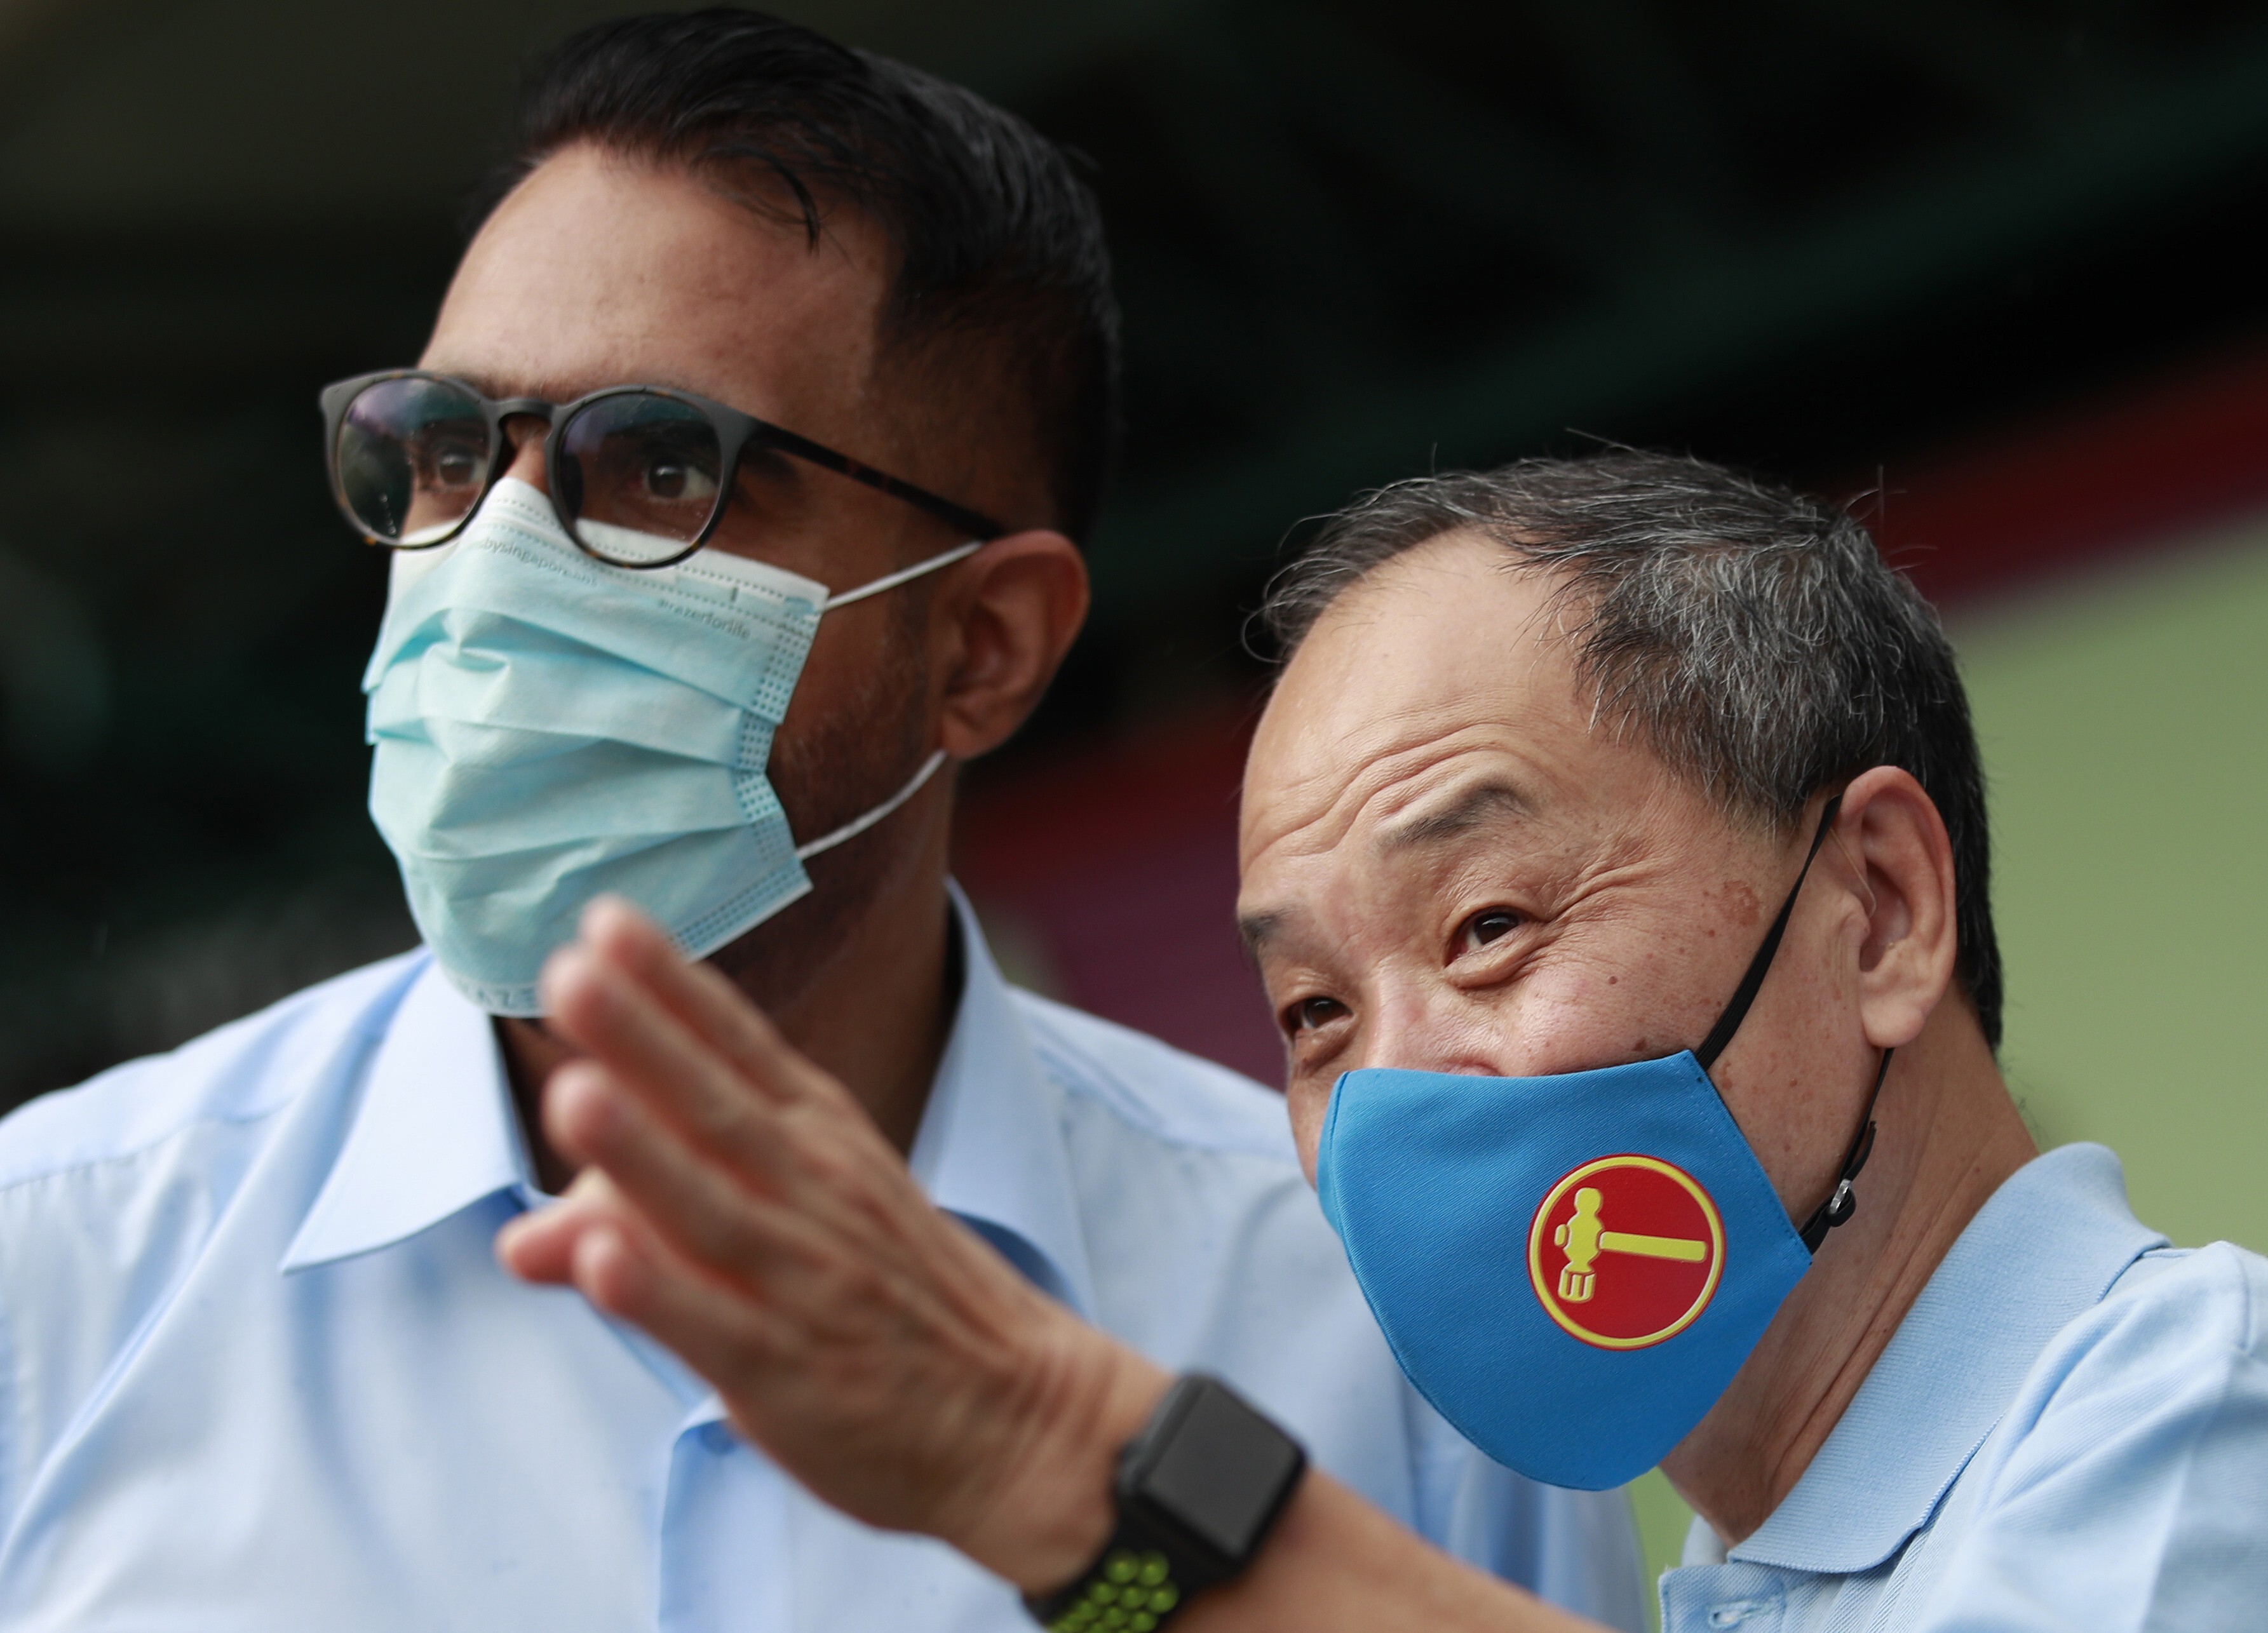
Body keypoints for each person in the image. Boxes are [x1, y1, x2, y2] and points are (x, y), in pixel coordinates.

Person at [0, 14, 1650, 1631]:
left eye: (655, 468)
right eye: (442, 453)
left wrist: (1115, 1557)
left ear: (982, 644)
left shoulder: (1373, 1334)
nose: (488, 562)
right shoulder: (60, 1269)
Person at [504, 452, 2268, 1632]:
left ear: (1875, 909)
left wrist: (1063, 1468)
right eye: (1311, 1018)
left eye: (1488, 927)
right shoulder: (1735, 1588)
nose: (1396, 1091)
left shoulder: (2197, 1421)